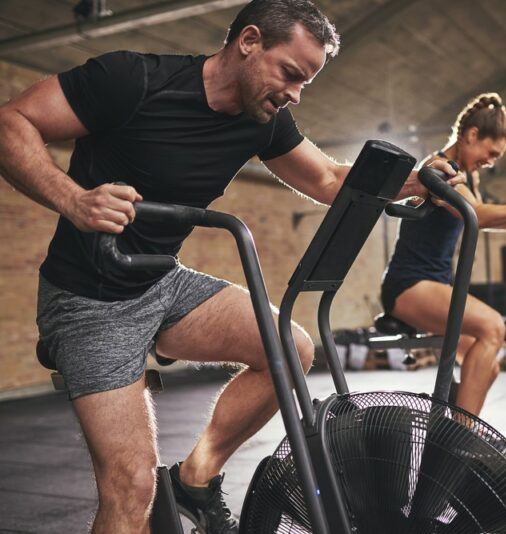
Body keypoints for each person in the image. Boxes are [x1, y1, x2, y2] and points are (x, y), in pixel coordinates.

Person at [0, 1, 461, 532]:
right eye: (290, 73)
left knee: (291, 349)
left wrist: (417, 179)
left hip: (159, 281)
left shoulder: (262, 120)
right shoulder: (132, 80)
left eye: (305, 83)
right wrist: (74, 200)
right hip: (89, 301)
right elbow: (13, 120)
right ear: (248, 42)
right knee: (130, 490)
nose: (293, 92)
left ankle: (195, 477)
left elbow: (331, 181)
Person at [381, 93, 506, 417]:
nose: (491, 160)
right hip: (410, 284)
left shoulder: (468, 176)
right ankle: (458, 440)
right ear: (471, 135)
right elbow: (478, 214)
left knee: (488, 367)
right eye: (491, 152)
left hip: (434, 283)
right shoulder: (438, 170)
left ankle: (452, 427)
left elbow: (471, 218)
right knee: (493, 328)